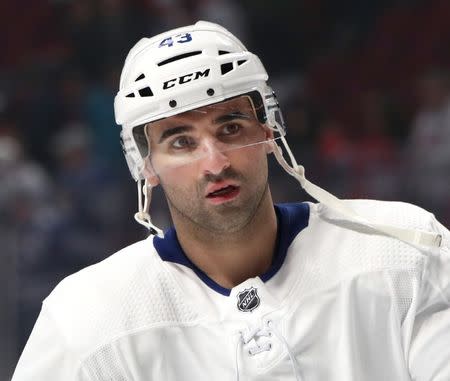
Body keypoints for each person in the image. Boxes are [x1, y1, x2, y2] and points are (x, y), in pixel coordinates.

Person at [12, 21, 449, 381]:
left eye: (230, 128)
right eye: (181, 141)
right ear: (145, 164)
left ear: (269, 131)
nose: (214, 162)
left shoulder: (403, 252)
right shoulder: (86, 319)